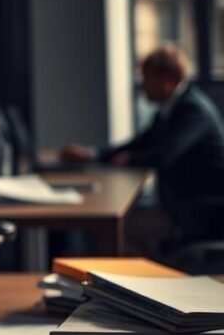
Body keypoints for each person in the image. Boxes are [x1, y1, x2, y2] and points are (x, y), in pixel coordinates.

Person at [61, 45, 224, 246]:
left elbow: (165, 156)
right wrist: (93, 154)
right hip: (182, 206)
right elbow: (138, 144)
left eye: (147, 78)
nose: (143, 85)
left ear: (167, 80)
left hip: (203, 212)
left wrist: (129, 159)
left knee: (121, 230)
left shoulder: (192, 110)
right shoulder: (171, 108)